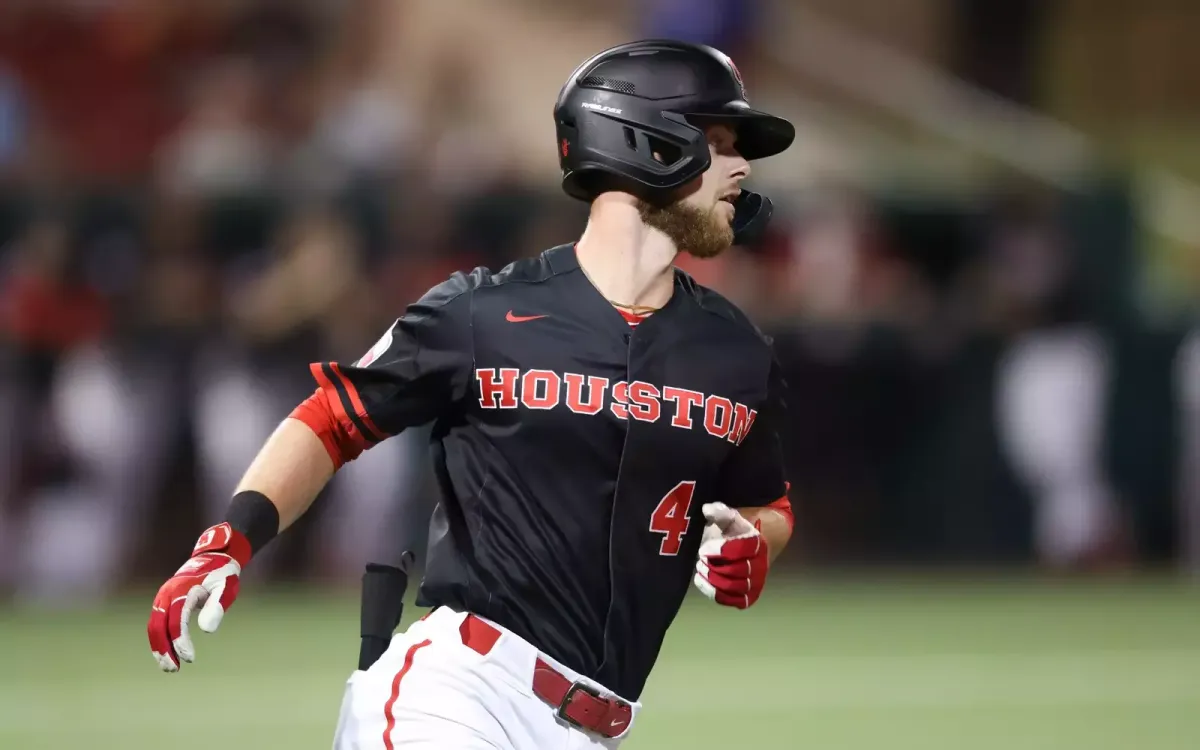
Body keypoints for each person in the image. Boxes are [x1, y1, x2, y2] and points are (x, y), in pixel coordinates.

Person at [147, 39, 797, 749]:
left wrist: (755, 543)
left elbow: (765, 499)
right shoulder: (483, 313)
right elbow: (330, 417)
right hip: (458, 696)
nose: (742, 168)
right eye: (720, 140)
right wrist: (226, 541)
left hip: (596, 728)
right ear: (647, 141)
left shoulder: (734, 350)